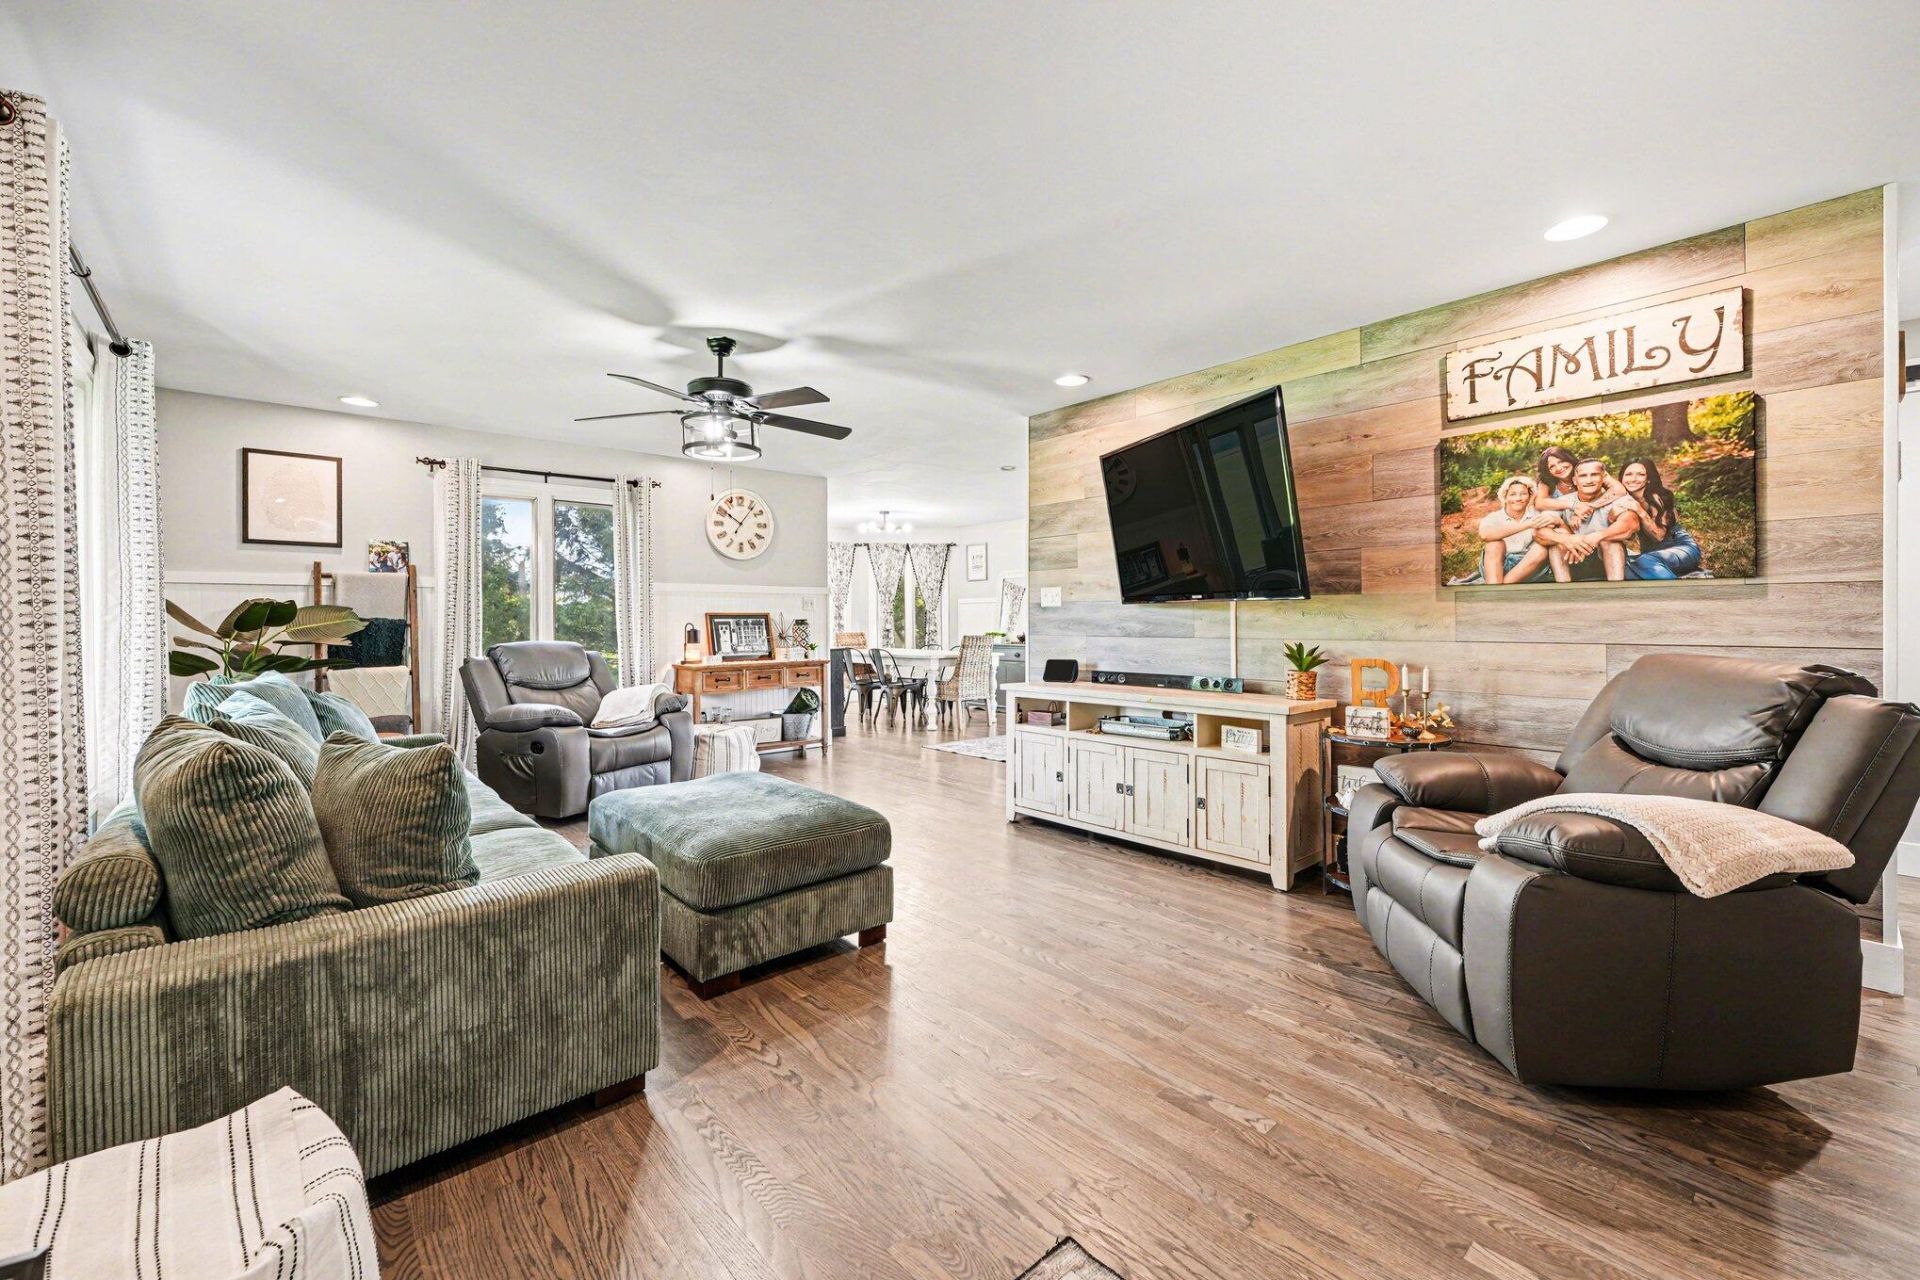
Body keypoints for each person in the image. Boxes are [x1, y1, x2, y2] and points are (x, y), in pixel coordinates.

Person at [1536, 457, 1641, 581]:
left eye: (1594, 475)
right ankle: (1563, 588)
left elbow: (1631, 523)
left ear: (1603, 477)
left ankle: (1616, 588)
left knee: (1610, 541)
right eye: (1583, 476)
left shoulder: (1617, 499)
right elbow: (1539, 532)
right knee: (1558, 539)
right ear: (1575, 481)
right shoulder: (1563, 502)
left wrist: (1595, 537)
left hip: (1608, 559)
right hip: (1573, 559)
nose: (1589, 480)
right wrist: (1567, 539)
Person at [1619, 458, 1702, 579]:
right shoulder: (1624, 499)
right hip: (1652, 555)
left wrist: (1639, 510)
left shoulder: (1656, 497)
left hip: (1681, 549)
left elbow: (1659, 536)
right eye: (1628, 474)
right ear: (1621, 478)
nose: (1633, 479)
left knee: (1644, 561)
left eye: (1641, 474)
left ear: (1648, 479)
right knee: (1619, 566)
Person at [1476, 475, 1555, 584]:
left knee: (1542, 548)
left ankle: (1501, 588)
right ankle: (1496, 585)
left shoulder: (1538, 514)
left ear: (1530, 496)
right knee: (1494, 545)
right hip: (1499, 565)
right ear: (1505, 497)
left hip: (1527, 567)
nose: (1518, 498)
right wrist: (1529, 524)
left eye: (1523, 494)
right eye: (1513, 494)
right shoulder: (1494, 517)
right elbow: (1485, 535)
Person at [1533, 445, 1627, 528]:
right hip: (1563, 522)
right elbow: (1540, 503)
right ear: (1548, 471)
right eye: (1552, 466)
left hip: (1592, 518)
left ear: (1569, 459)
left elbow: (1619, 490)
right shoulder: (1547, 480)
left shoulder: (1586, 469)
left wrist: (1591, 506)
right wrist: (1574, 506)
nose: (1558, 468)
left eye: (1561, 461)